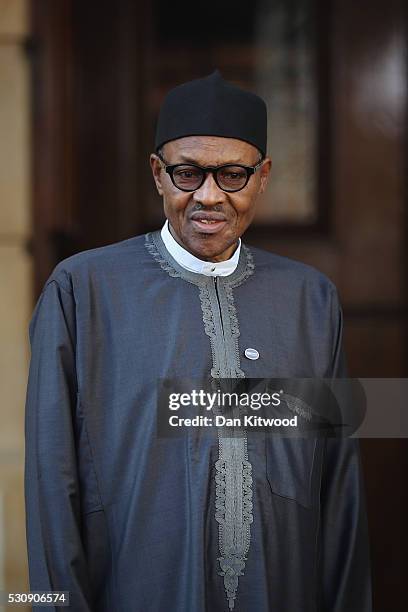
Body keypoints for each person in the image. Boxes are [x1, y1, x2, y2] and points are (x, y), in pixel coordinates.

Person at [24, 70, 372, 612]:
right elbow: (52, 480)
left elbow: (338, 484)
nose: (209, 196)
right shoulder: (83, 290)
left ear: (263, 176)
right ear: (158, 174)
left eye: (233, 174)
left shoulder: (311, 300)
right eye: (188, 174)